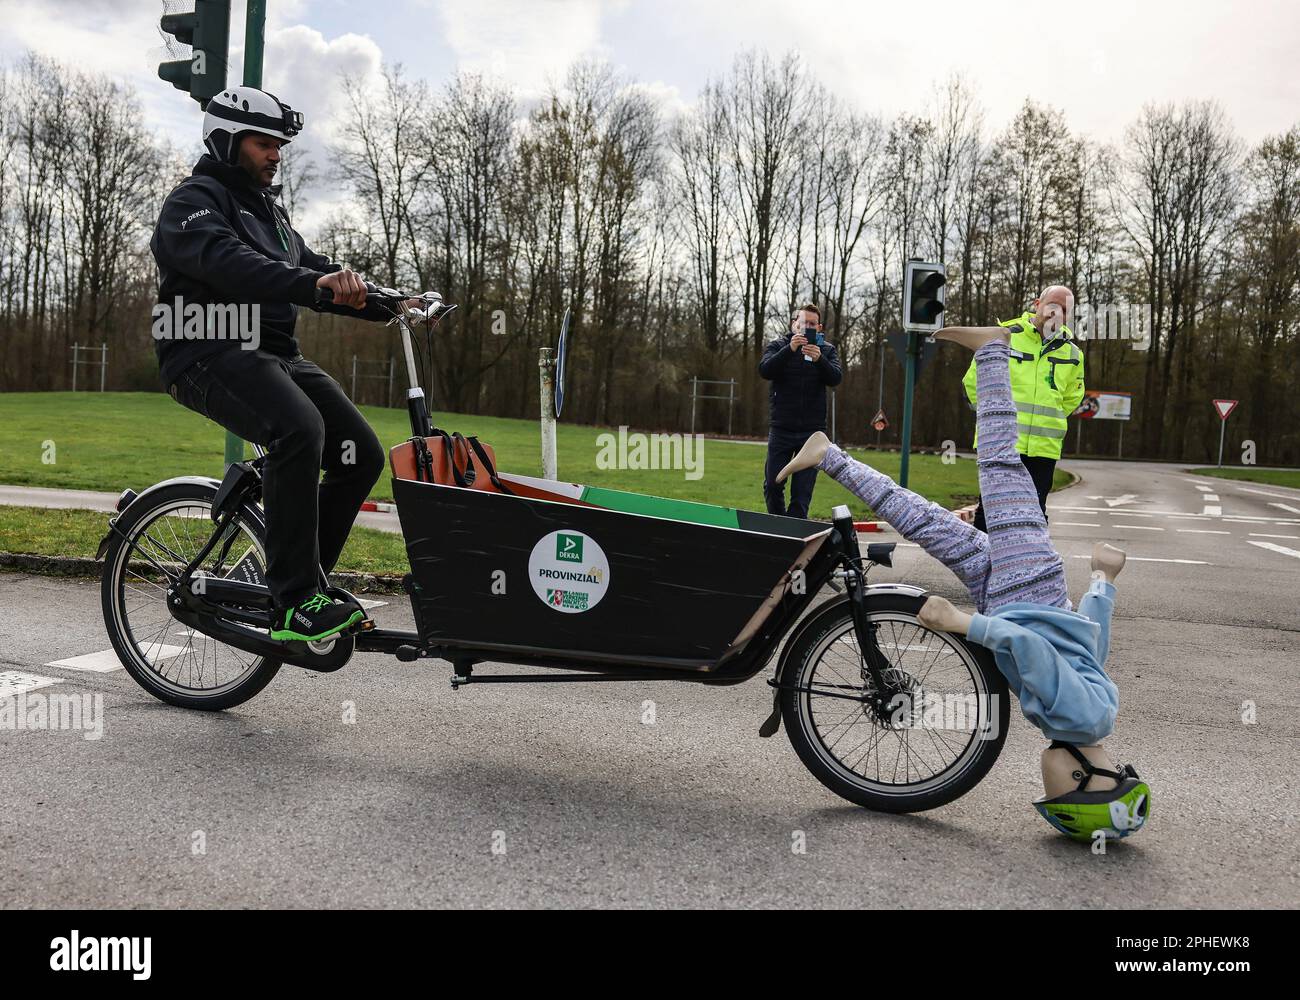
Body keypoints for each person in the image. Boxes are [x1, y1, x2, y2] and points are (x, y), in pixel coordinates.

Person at [776, 321, 1149, 843]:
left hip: (1016, 593)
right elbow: (1030, 646)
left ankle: (828, 456)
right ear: (1089, 779)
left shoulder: (1094, 718)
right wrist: (961, 623)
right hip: (1025, 590)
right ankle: (996, 353)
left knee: (924, 522)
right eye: (1061, 791)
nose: (1051, 784)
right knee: (1001, 464)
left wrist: (1103, 582)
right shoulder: (1077, 721)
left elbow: (1092, 644)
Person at [151, 87, 420, 643]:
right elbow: (232, 264)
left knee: (359, 453)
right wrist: (311, 283)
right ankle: (293, 599)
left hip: (275, 355)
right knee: (299, 429)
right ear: (225, 141)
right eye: (263, 143)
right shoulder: (193, 203)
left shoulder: (270, 213)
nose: (276, 154)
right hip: (205, 349)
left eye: (280, 145)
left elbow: (316, 269)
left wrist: (395, 302)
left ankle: (306, 583)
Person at [961, 286, 1085, 531]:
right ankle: (982, 566)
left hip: (1044, 449)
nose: (1056, 312)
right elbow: (973, 383)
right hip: (1001, 443)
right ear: (1037, 303)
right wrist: (992, 421)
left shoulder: (1072, 353)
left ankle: (1028, 568)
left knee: (1034, 514)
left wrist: (1047, 421)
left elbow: (1072, 398)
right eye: (1052, 304)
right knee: (991, 512)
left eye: (1064, 309)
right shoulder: (1003, 336)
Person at [758, 303, 842, 518]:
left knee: (801, 495)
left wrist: (819, 359)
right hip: (782, 429)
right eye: (803, 323)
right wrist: (790, 349)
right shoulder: (779, 346)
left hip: (812, 434)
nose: (807, 327)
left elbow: (835, 378)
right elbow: (765, 370)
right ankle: (779, 528)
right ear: (793, 324)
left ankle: (796, 537)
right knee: (773, 485)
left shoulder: (827, 350)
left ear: (819, 328)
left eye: (812, 324)